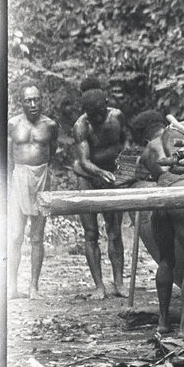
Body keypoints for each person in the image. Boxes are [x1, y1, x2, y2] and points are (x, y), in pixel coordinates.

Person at [131, 109, 184, 332]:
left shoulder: (145, 154)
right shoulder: (182, 129)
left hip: (161, 199)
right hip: (183, 193)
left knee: (166, 260)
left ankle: (163, 322)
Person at [72, 87, 130, 298]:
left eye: (99, 112)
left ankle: (119, 283)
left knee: (114, 230)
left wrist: (126, 163)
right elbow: (84, 161)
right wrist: (100, 172)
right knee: (91, 233)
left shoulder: (117, 117)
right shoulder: (81, 126)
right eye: (91, 113)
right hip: (87, 177)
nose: (96, 117)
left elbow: (125, 141)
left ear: (106, 104)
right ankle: (99, 286)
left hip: (111, 174)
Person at [7, 85, 58, 298]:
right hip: (19, 176)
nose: (33, 104)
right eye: (29, 100)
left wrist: (43, 175)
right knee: (16, 235)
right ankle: (12, 286)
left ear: (42, 100)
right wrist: (9, 182)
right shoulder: (13, 124)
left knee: (37, 236)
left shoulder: (50, 125)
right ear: (22, 102)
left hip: (41, 176)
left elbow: (51, 152)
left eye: (37, 99)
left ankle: (33, 286)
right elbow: (9, 155)